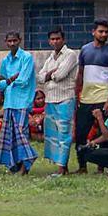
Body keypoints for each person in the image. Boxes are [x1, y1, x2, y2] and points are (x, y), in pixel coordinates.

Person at [74, 19, 108, 174]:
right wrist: (77, 94)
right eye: (101, 31)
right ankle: (82, 166)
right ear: (93, 32)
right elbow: (80, 73)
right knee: (80, 133)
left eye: (106, 31)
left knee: (103, 133)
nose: (104, 34)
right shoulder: (85, 50)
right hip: (86, 98)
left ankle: (102, 167)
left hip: (103, 97)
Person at [37, 28, 79, 175]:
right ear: (49, 41)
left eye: (58, 39)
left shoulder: (71, 55)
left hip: (65, 99)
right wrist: (51, 73)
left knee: (64, 134)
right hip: (50, 100)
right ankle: (63, 166)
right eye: (52, 39)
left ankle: (61, 169)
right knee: (53, 135)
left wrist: (50, 75)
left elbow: (60, 75)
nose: (55, 41)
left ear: (64, 39)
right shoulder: (50, 58)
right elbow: (40, 78)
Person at [0, 31, 37, 175]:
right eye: (9, 41)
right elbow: (0, 84)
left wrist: (8, 81)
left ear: (19, 40)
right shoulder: (6, 61)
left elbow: (23, 79)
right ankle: (15, 165)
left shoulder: (26, 57)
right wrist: (9, 80)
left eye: (15, 40)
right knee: (11, 136)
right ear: (6, 42)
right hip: (9, 102)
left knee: (21, 133)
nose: (12, 43)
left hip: (23, 101)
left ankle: (26, 164)